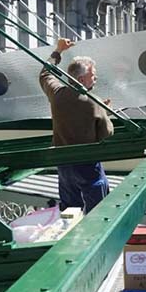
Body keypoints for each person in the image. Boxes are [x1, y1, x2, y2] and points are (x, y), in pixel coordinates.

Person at [40, 38, 114, 214]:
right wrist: (106, 112)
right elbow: (106, 133)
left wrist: (58, 50)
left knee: (70, 212)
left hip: (64, 163)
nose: (95, 77)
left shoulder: (57, 93)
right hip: (87, 165)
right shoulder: (93, 102)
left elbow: (45, 74)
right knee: (97, 213)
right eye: (92, 74)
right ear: (81, 79)